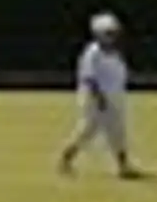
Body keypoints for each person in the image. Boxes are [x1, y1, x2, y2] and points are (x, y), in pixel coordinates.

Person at [58, 12, 138, 178]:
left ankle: (123, 166)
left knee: (118, 131)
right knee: (87, 130)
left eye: (114, 33)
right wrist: (99, 98)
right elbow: (89, 78)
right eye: (109, 33)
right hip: (96, 99)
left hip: (115, 97)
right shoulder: (92, 53)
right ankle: (66, 158)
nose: (113, 37)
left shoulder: (115, 53)